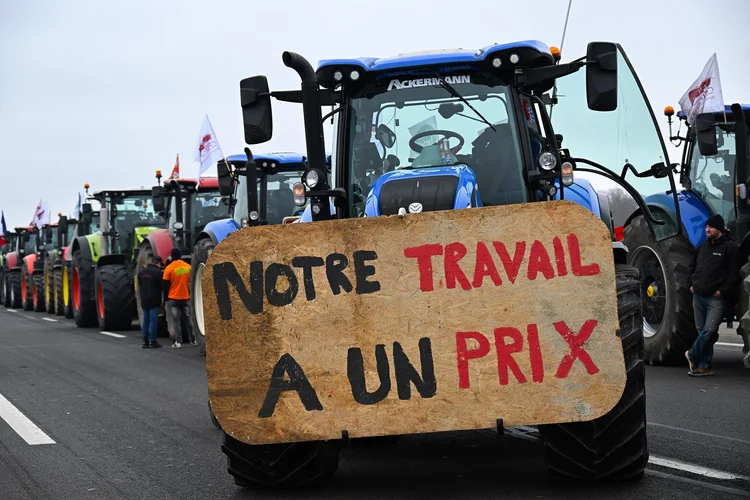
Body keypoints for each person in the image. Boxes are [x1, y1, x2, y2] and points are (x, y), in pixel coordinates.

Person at [686, 214, 741, 376]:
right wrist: (691, 285)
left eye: (711, 227)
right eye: (706, 227)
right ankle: (704, 366)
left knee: (709, 331)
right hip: (698, 296)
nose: (707, 229)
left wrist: (722, 291)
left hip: (715, 298)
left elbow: (734, 274)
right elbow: (692, 267)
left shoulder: (730, 248)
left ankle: (692, 354)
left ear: (720, 229)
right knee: (701, 330)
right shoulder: (702, 247)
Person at [163, 247, 196, 348]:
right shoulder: (188, 267)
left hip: (173, 298)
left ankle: (178, 342)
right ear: (180, 256)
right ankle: (193, 340)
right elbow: (191, 282)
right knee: (188, 319)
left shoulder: (169, 268)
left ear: (172, 256)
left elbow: (165, 285)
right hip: (185, 297)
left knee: (176, 321)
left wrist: (165, 299)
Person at [137, 255, 164, 349]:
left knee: (146, 321)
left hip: (144, 300)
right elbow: (162, 287)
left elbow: (140, 285)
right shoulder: (157, 273)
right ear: (158, 263)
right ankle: (153, 341)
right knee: (153, 321)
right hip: (154, 300)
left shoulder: (141, 273)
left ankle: (145, 341)